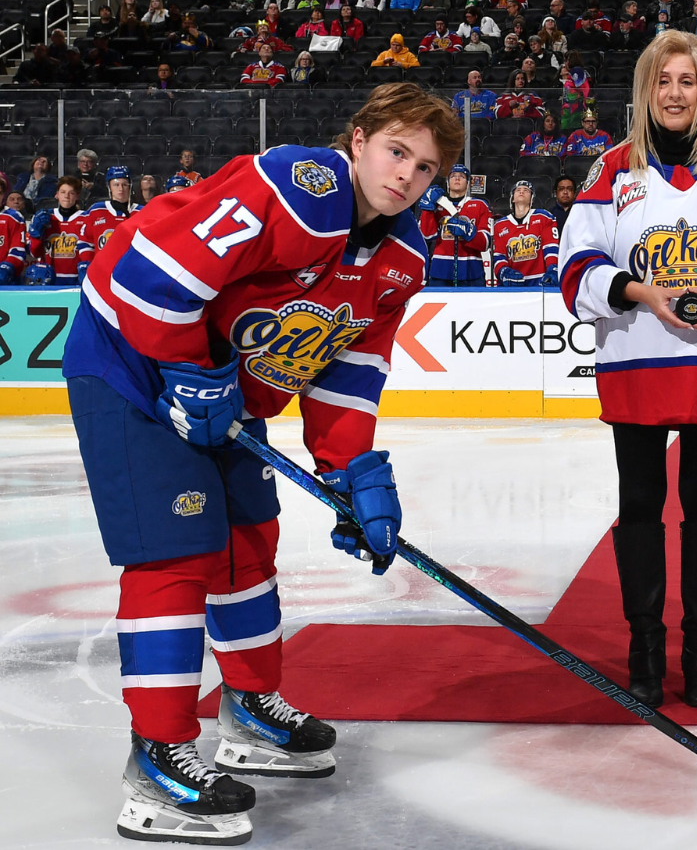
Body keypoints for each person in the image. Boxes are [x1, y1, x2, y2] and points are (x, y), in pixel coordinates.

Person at [60, 83, 459, 845]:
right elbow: (151, 274)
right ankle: (158, 754)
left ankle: (248, 709)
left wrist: (354, 475)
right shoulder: (297, 191)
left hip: (219, 390)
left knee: (249, 543)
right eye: (396, 150)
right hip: (130, 365)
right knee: (176, 554)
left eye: (426, 167)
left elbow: (348, 370)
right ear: (358, 140)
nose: (406, 174)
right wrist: (186, 370)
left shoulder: (404, 254)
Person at [558, 31, 697, 709]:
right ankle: (644, 648)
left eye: (688, 81)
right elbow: (574, 267)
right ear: (646, 90)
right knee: (638, 507)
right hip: (635, 363)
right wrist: (638, 291)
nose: (675, 93)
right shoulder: (612, 171)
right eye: (664, 81)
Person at [416, 163, 491, 285]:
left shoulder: (480, 205)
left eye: (461, 176)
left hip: (471, 270)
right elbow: (427, 236)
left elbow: (485, 243)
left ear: (467, 183)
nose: (457, 178)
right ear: (447, 183)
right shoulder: (438, 205)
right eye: (453, 176)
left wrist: (468, 232)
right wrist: (427, 209)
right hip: (440, 270)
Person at [491, 180, 559, 287]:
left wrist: (552, 268)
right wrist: (503, 271)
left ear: (531, 199)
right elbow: (498, 255)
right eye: (518, 190)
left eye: (526, 190)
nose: (522, 191)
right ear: (512, 198)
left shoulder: (544, 217)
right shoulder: (500, 225)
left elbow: (550, 247)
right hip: (512, 284)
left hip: (540, 282)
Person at [76, 165, 140, 278]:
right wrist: (89, 264)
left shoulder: (141, 212)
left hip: (132, 274)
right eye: (116, 185)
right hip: (102, 272)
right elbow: (84, 242)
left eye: (124, 184)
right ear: (109, 187)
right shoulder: (96, 210)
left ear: (130, 186)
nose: (121, 189)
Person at [25, 176, 91, 284]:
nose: (66, 196)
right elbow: (34, 253)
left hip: (76, 279)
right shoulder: (45, 217)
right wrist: (36, 234)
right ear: (57, 195)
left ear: (77, 196)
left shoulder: (86, 218)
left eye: (71, 193)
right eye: (63, 192)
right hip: (48, 279)